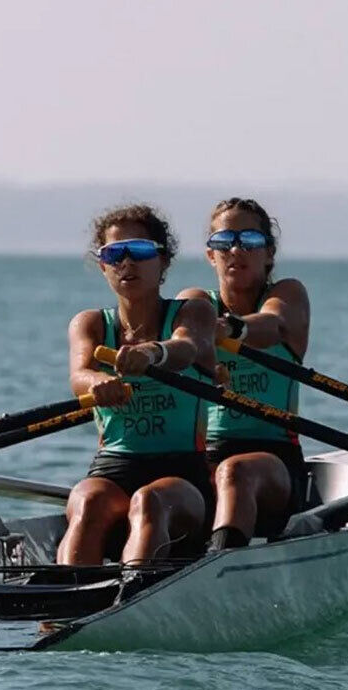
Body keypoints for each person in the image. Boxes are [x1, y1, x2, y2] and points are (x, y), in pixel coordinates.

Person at [57, 204, 217, 565]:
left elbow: (186, 348)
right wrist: (98, 382)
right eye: (114, 254)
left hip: (183, 477)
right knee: (87, 501)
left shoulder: (193, 312)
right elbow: (78, 376)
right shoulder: (91, 323)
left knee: (149, 501)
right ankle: (60, 610)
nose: (126, 263)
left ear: (163, 263)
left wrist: (152, 353)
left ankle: (132, 596)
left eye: (140, 251)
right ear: (102, 266)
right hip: (114, 467)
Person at [178, 197, 310, 551]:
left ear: (268, 254)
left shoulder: (288, 294)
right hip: (202, 458)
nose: (236, 249)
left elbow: (274, 324)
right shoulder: (193, 302)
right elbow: (181, 339)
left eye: (249, 241)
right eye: (224, 242)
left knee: (235, 473)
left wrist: (228, 330)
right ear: (211, 255)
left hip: (275, 463)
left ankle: (219, 569)